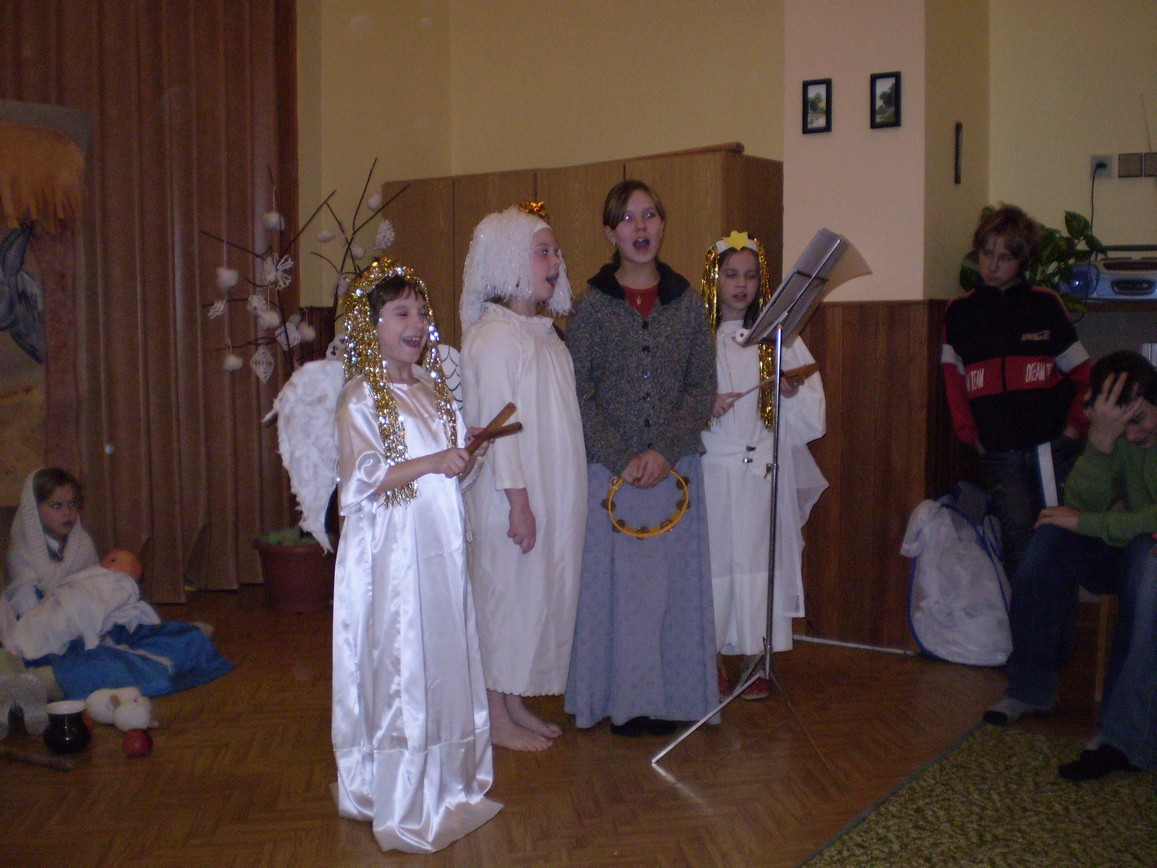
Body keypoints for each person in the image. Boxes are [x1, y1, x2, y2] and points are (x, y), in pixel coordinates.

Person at [331, 258, 501, 853]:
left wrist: (467, 457)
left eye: (422, 312)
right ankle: (401, 797)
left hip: (439, 551)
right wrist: (433, 461)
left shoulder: (433, 390)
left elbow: (450, 476)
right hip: (393, 557)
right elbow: (361, 478)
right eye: (401, 312)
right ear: (370, 325)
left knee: (445, 656)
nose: (417, 323)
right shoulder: (361, 397)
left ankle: (449, 784)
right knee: (402, 663)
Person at [564, 180, 718, 737]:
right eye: (627, 219)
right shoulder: (590, 307)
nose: (640, 227)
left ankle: (675, 701)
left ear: (663, 224)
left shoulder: (688, 304)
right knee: (622, 597)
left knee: (673, 594)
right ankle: (621, 702)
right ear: (610, 233)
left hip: (676, 471)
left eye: (649, 215)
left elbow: (701, 389)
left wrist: (664, 451)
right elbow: (578, 393)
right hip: (612, 475)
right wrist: (621, 456)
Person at [982, 350, 1157, 782]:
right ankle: (1031, 688)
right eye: (1122, 424)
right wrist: (1101, 442)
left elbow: (1108, 520)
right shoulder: (1118, 436)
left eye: (1139, 420)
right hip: (1130, 548)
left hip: (1147, 559)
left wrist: (1086, 522)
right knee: (1052, 537)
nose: (1133, 434)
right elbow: (1080, 505)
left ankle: (1121, 734)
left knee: (1145, 555)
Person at [459, 203, 587, 752]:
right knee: (504, 601)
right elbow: (497, 429)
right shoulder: (493, 337)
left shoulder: (544, 335)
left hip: (549, 488)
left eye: (555, 252)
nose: (555, 262)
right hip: (510, 496)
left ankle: (512, 702)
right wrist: (518, 502)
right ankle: (492, 715)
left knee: (532, 601)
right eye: (542, 252)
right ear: (508, 259)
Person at [699, 232, 828, 701]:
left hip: (760, 474)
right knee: (715, 564)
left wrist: (788, 393)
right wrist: (705, 405)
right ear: (715, 280)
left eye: (750, 276)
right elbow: (678, 403)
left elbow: (812, 416)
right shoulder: (698, 342)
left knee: (758, 561)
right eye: (731, 275)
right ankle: (710, 657)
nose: (741, 285)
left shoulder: (778, 339)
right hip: (714, 473)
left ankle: (756, 656)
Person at [1, 467, 232, 707]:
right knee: (108, 665)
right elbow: (31, 614)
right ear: (34, 511)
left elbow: (99, 591)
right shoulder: (22, 554)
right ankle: (50, 681)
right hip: (58, 641)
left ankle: (183, 638)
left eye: (72, 504)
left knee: (181, 639)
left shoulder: (81, 544)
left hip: (100, 627)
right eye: (56, 506)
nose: (67, 513)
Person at [941, 204, 1090, 578]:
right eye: (986, 253)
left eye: (1005, 257)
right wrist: (971, 436)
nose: (992, 265)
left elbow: (1082, 372)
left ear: (1023, 261)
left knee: (1057, 536)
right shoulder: (959, 312)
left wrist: (1074, 427)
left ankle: (1056, 615)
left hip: (1051, 446)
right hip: (999, 450)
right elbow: (954, 381)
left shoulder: (1044, 305)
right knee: (1017, 537)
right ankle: (1023, 616)